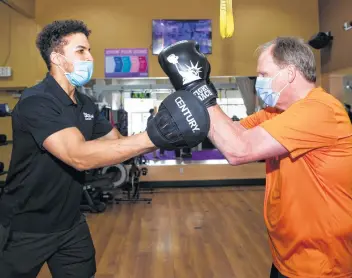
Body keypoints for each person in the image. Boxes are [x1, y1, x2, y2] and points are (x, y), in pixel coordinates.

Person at [0, 20, 210, 278]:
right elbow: (77, 156)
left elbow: (115, 142)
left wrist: (161, 133)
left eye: (89, 50)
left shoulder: (85, 104)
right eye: (80, 51)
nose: (90, 57)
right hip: (25, 226)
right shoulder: (37, 101)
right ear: (57, 58)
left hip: (69, 223)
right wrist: (155, 136)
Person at [158, 38, 352, 278]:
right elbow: (233, 133)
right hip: (286, 257)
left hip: (321, 265)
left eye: (263, 73)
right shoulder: (277, 112)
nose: (259, 81)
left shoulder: (320, 110)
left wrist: (195, 85)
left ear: (290, 73)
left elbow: (239, 149)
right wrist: (200, 90)